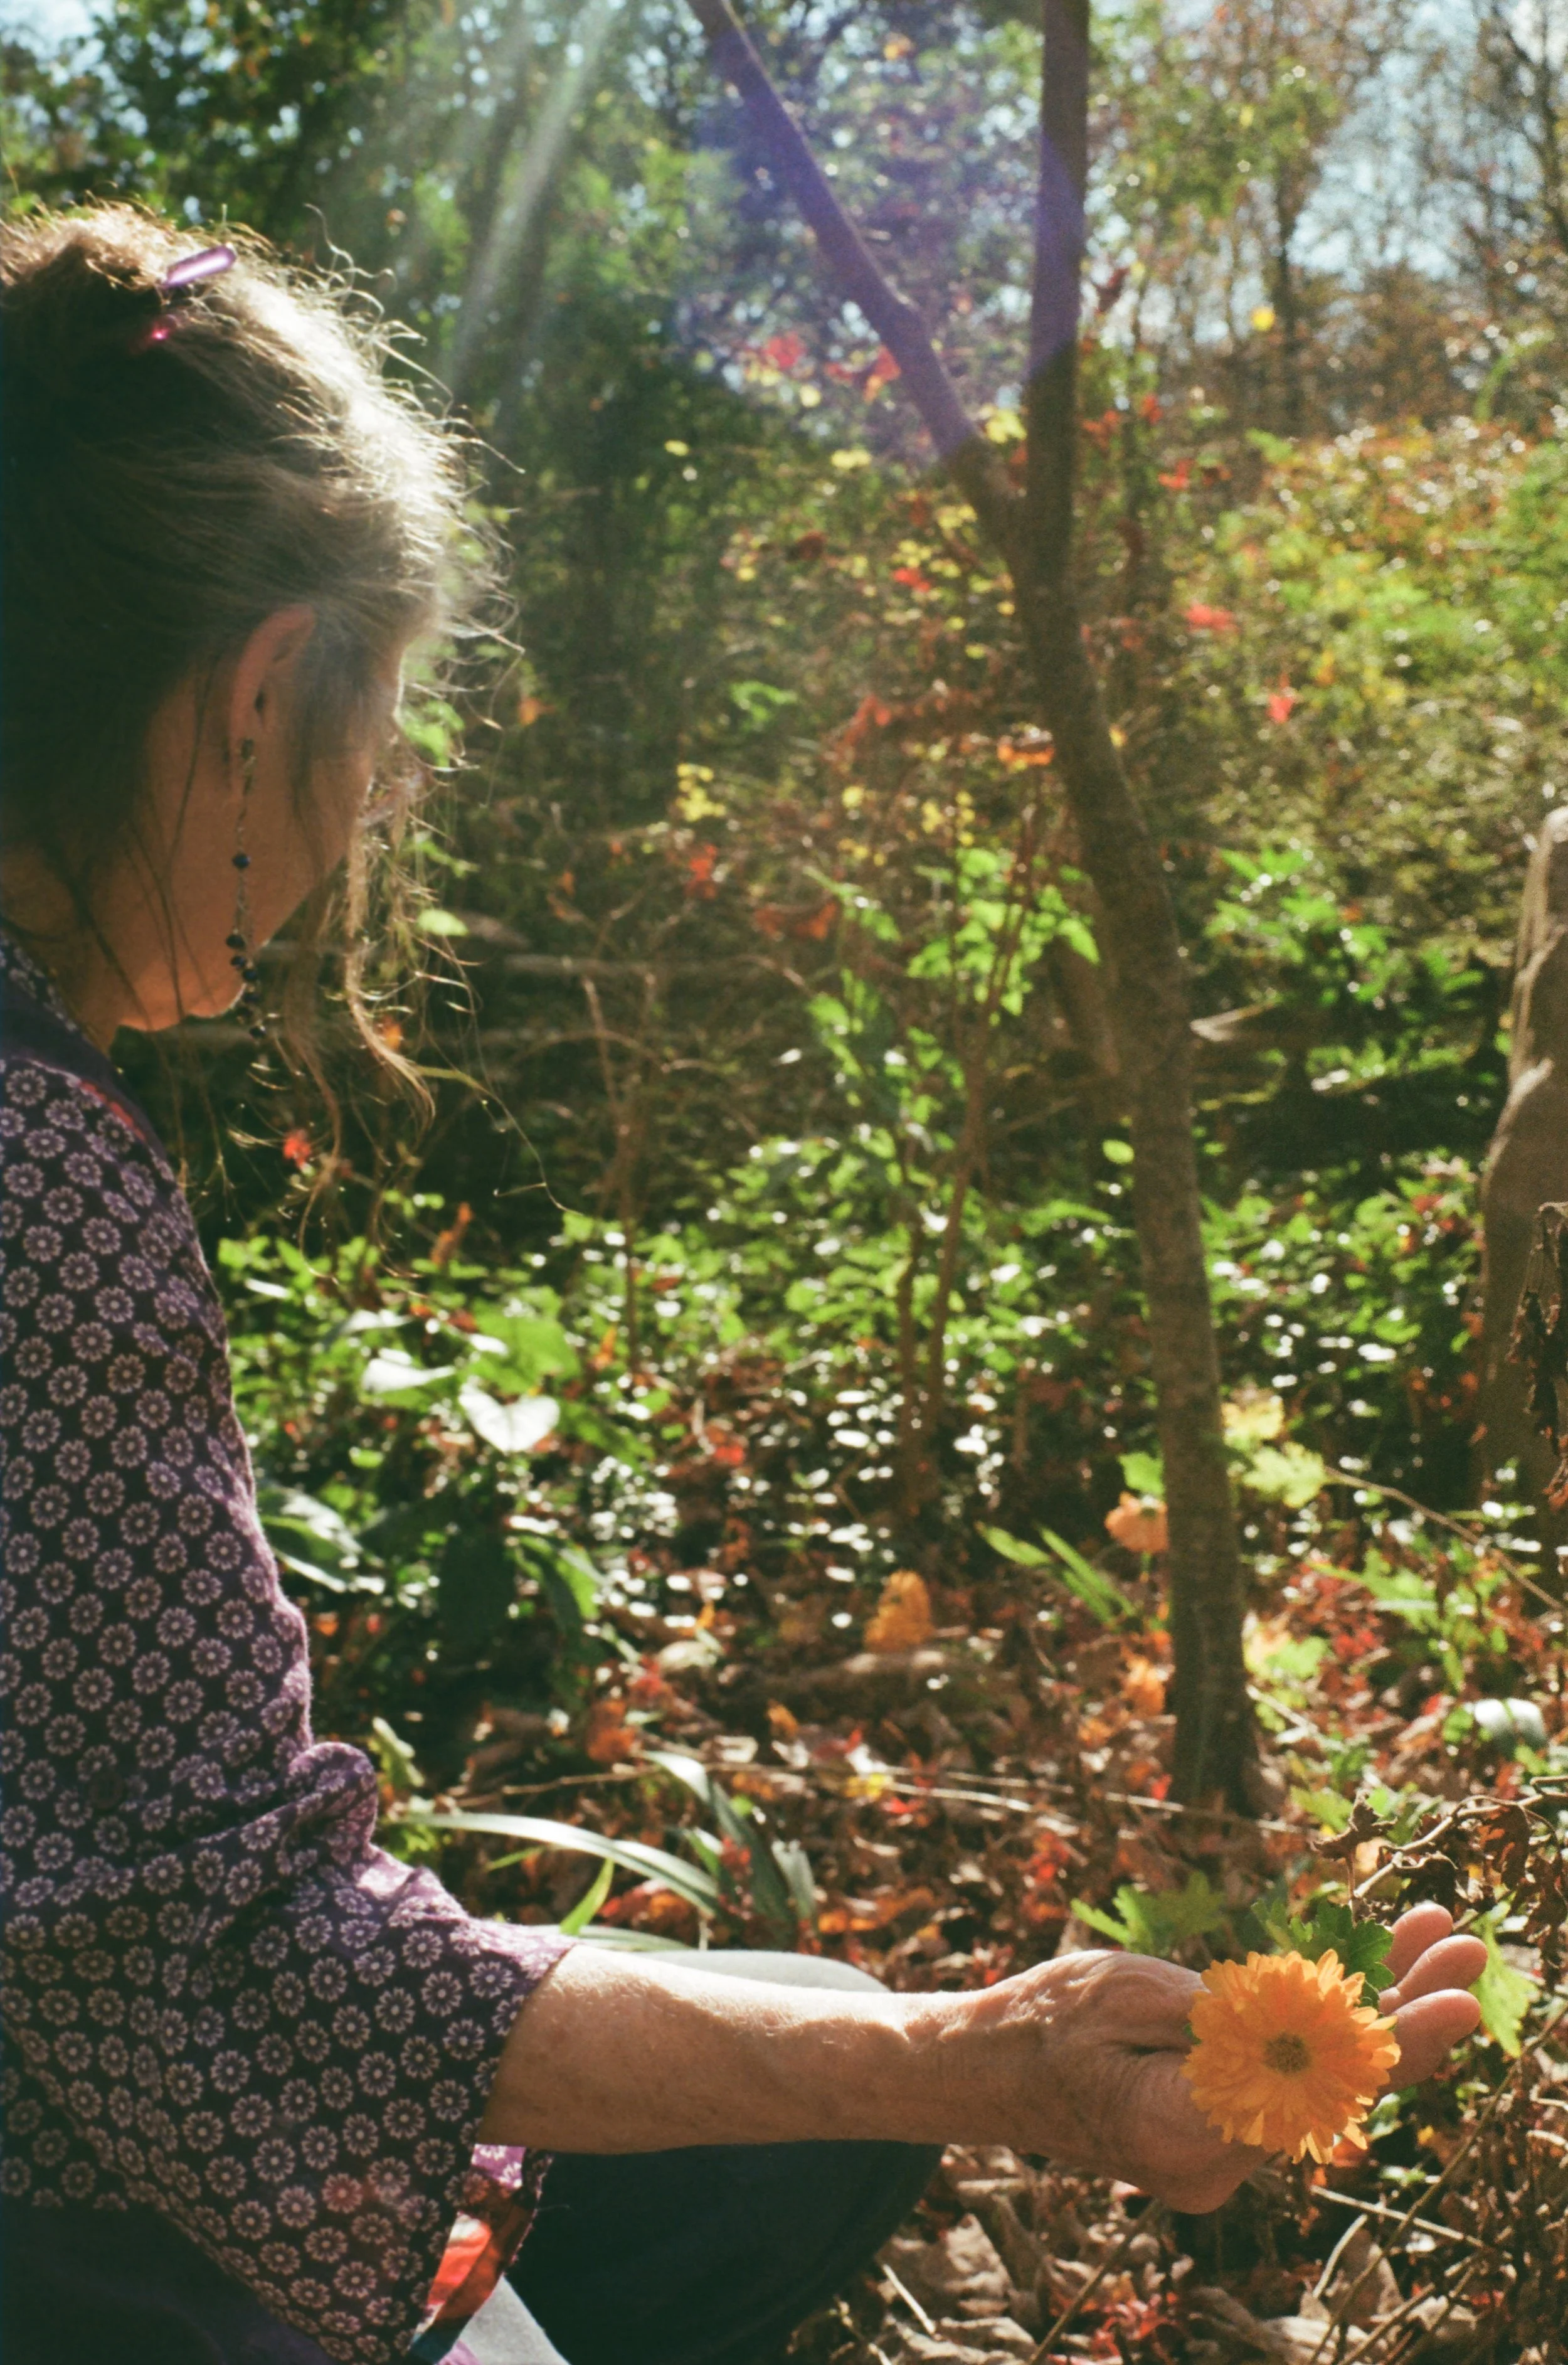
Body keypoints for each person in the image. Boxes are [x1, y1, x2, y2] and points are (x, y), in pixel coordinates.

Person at [0, 204, 1485, 2365]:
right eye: (380, 737)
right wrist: (982, 2059)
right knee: (823, 2086)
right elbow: (217, 1971)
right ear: (253, 698)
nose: (374, 819)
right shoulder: (33, 1171)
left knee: (795, 2077)